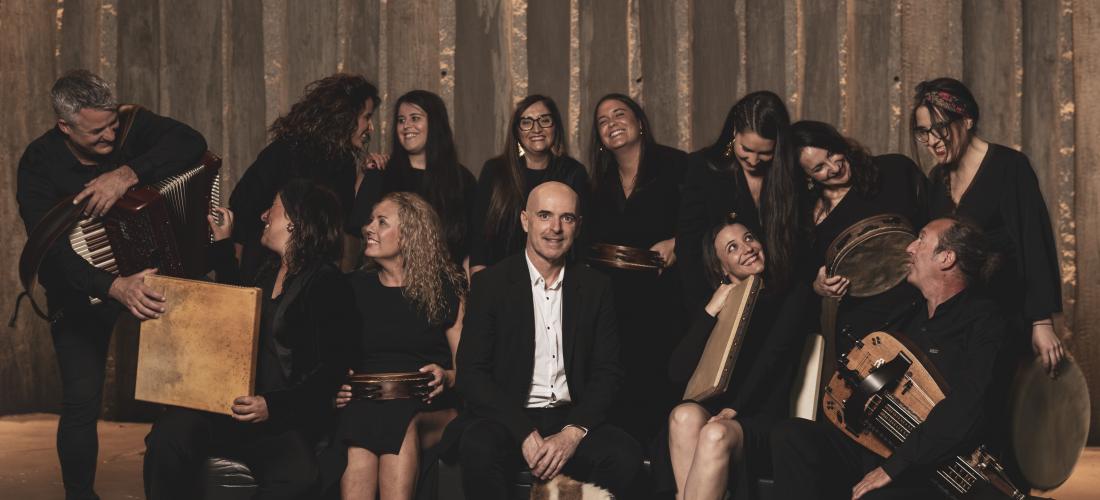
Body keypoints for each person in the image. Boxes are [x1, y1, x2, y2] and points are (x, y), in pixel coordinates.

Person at [16, 69, 207, 500]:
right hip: (82, 287)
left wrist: (126, 173)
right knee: (81, 401)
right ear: (65, 126)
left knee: (186, 387)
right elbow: (53, 254)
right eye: (97, 131)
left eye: (112, 124)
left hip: (154, 276)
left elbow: (191, 142)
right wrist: (114, 286)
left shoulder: (131, 125)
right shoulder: (38, 164)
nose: (110, 135)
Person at [143, 180, 360, 500]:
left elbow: (330, 370)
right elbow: (237, 312)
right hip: (229, 406)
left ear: (294, 220)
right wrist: (223, 243)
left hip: (278, 419)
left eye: (272, 208)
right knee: (167, 436)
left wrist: (272, 406)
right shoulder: (266, 271)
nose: (263, 216)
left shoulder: (327, 284)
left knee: (300, 478)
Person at [771, 216, 1006, 499]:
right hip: (875, 445)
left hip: (932, 466)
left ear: (946, 257)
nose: (909, 247)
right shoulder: (909, 314)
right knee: (792, 437)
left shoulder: (985, 321)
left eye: (921, 238)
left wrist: (894, 467)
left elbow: (968, 409)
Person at [911, 78, 1064, 488]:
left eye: (939, 129)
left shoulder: (1010, 167)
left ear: (967, 120)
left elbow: (1034, 242)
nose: (932, 141)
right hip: (959, 324)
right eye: (923, 132)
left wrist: (1041, 321)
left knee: (1001, 422)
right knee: (963, 420)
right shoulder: (936, 180)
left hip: (1005, 317)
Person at [451, 181, 643, 498]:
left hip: (571, 415)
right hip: (508, 415)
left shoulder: (596, 287)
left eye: (567, 218)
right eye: (544, 215)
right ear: (525, 220)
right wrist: (523, 431)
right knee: (477, 446)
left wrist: (572, 433)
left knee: (625, 454)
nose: (555, 228)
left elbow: (608, 373)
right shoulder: (491, 284)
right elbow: (471, 374)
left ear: (578, 226)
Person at [662, 217, 811, 500]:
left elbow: (772, 358)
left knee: (714, 434)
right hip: (716, 413)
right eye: (732, 248)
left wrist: (734, 409)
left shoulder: (791, 295)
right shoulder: (718, 305)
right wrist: (711, 310)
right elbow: (676, 372)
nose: (747, 248)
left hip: (761, 417)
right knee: (682, 416)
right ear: (722, 268)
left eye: (749, 238)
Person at [333, 192, 466, 500]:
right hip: (368, 403)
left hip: (431, 407)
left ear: (409, 235)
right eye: (370, 221)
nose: (368, 228)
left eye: (382, 222)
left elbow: (468, 369)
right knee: (362, 417)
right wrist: (336, 387)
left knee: (399, 417)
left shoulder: (445, 289)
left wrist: (448, 376)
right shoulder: (353, 289)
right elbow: (334, 360)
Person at [586, 93, 689, 444]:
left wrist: (678, 243)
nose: (611, 123)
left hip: (667, 300)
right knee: (619, 387)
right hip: (616, 304)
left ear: (640, 122)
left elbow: (708, 220)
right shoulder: (597, 182)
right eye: (603, 121)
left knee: (665, 384)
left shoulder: (677, 165)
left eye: (619, 114)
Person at [229, 73, 381, 280]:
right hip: (263, 275)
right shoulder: (283, 151)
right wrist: (234, 282)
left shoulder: (344, 163)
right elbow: (241, 212)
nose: (371, 127)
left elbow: (342, 225)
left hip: (311, 279)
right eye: (367, 117)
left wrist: (364, 177)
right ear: (345, 116)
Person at [790, 120, 927, 348]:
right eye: (819, 168)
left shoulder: (895, 169)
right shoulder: (809, 218)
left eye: (831, 153)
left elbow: (937, 226)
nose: (834, 168)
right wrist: (819, 285)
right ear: (807, 176)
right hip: (865, 322)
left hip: (922, 305)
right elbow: (805, 275)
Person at [678, 91, 801, 312]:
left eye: (765, 153)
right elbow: (689, 249)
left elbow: (798, 247)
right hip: (724, 302)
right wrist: (705, 315)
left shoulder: (789, 175)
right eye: (746, 149)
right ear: (734, 132)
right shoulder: (703, 168)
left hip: (782, 301)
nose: (753, 161)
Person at [352, 90, 477, 267]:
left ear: (435, 124)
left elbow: (473, 244)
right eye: (401, 120)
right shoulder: (381, 172)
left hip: (446, 279)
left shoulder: (462, 180)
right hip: (387, 279)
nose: (406, 126)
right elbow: (359, 231)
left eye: (415, 118)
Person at [469, 94, 590, 272]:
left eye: (545, 120)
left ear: (555, 126)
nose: (536, 129)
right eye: (526, 122)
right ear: (516, 132)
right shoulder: (495, 171)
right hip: (499, 277)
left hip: (556, 278)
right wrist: (479, 279)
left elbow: (582, 238)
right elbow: (478, 234)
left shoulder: (573, 172)